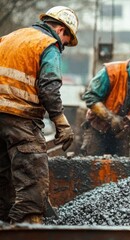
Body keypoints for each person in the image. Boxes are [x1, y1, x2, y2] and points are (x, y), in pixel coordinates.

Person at [0, 6, 78, 224]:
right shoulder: (47, 44)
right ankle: (29, 225)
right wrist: (61, 123)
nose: (63, 46)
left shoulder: (8, 38)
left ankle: (6, 223)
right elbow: (49, 86)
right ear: (61, 30)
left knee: (4, 179)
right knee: (33, 179)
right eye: (66, 41)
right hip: (20, 116)